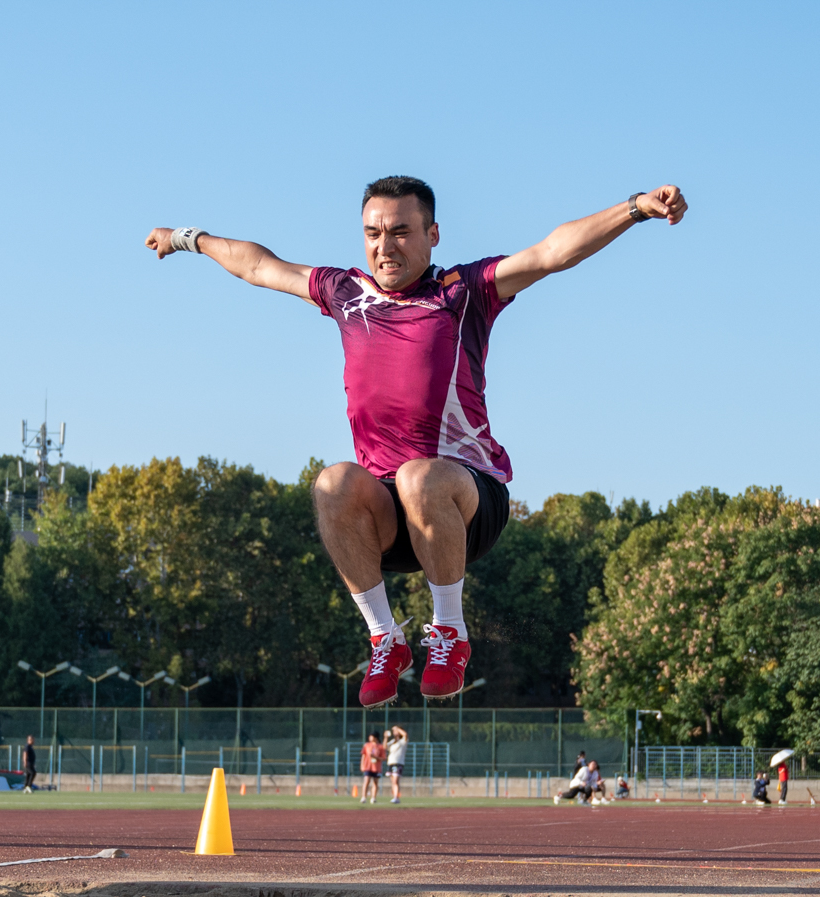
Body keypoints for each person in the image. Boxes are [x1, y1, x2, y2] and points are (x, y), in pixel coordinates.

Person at [146, 178, 687, 709]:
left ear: (432, 234)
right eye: (373, 233)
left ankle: (449, 632)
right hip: (389, 518)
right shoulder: (345, 292)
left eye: (401, 232)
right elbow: (259, 266)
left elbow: (552, 252)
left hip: (465, 501)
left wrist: (636, 207)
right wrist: (185, 237)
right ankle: (386, 638)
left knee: (419, 475)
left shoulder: (463, 291)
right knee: (332, 481)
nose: (385, 246)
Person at [358, 732, 385, 804]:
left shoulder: (380, 746)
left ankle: (373, 798)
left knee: (375, 782)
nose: (370, 738)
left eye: (371, 736)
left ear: (375, 737)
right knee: (366, 781)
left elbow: (383, 758)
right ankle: (363, 797)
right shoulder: (367, 745)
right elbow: (363, 755)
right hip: (368, 766)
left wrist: (376, 757)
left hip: (376, 767)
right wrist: (362, 765)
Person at [385, 725, 408, 804]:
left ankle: (396, 797)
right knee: (393, 781)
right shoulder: (392, 741)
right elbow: (384, 747)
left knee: (395, 781)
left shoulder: (403, 741)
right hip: (391, 762)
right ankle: (395, 796)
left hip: (398, 763)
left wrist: (398, 728)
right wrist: (385, 737)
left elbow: (405, 735)